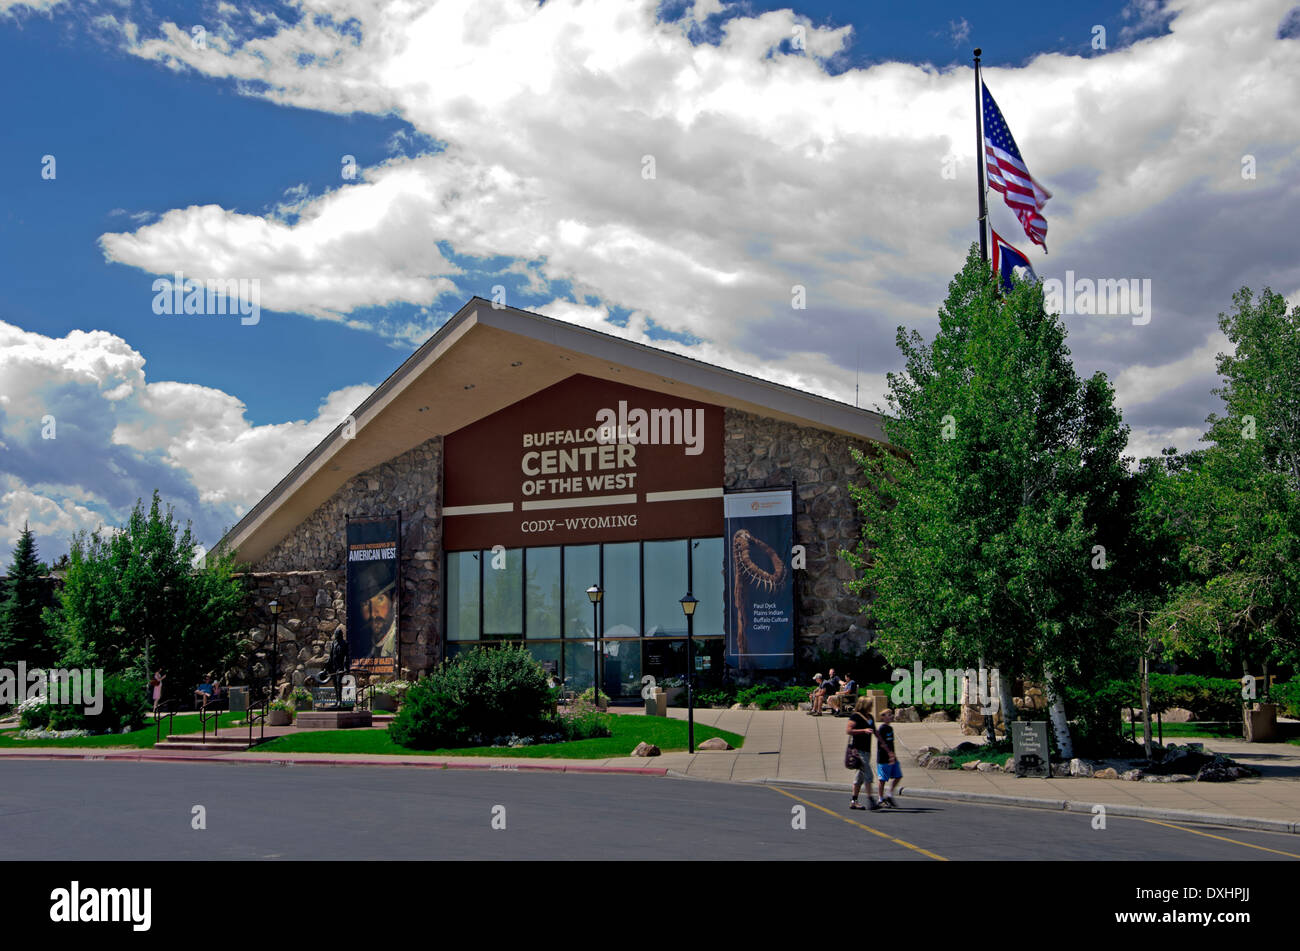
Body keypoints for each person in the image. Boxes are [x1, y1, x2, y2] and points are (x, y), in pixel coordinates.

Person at [846, 696, 879, 810]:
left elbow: (875, 731)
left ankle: (853, 800)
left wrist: (885, 746)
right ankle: (871, 800)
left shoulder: (870, 717)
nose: (871, 707)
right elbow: (849, 730)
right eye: (870, 705)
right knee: (868, 774)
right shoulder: (855, 716)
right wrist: (863, 731)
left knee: (859, 776)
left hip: (867, 750)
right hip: (858, 750)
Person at [875, 708, 901, 808]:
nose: (891, 716)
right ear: (883, 717)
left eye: (891, 714)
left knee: (898, 776)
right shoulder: (882, 729)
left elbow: (891, 743)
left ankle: (889, 795)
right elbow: (882, 744)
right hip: (883, 758)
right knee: (882, 780)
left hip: (892, 757)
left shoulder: (890, 729)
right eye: (888, 715)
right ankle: (880, 799)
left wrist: (893, 755)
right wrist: (889, 754)